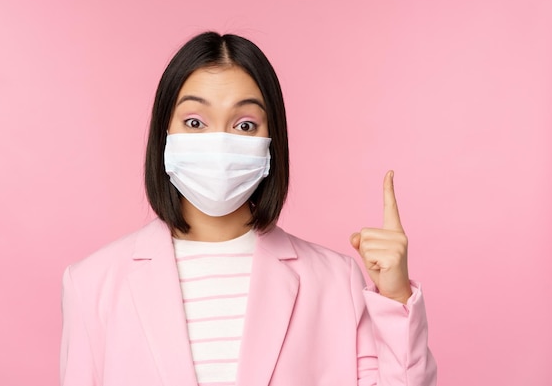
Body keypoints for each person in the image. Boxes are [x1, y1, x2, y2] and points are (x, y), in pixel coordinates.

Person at [60, 31, 437, 386]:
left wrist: (396, 297)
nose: (220, 142)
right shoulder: (92, 283)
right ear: (165, 136)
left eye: (244, 124)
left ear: (271, 143)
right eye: (195, 122)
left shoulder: (336, 282)